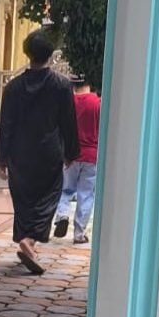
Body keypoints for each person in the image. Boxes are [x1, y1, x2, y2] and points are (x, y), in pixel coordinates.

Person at [0, 28, 79, 275]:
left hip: (20, 154)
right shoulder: (61, 86)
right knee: (48, 198)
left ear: (27, 52)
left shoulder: (13, 87)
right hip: (49, 153)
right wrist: (71, 152)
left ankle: (27, 242)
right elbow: (68, 121)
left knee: (24, 200)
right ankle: (30, 240)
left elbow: (6, 124)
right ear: (50, 54)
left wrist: (2, 159)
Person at [53, 75, 101, 245]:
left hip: (70, 156)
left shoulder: (68, 103)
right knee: (86, 195)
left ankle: (62, 214)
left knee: (65, 189)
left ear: (73, 84)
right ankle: (79, 234)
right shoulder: (98, 103)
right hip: (92, 155)